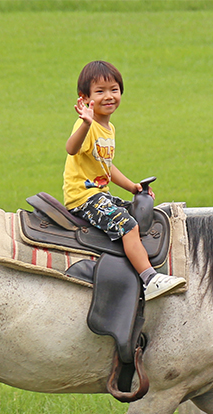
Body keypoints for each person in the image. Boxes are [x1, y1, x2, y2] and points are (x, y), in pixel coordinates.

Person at [64, 60, 185, 301]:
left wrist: (132, 186)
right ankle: (149, 279)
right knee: (127, 226)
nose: (109, 96)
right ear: (84, 97)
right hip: (83, 198)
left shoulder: (109, 128)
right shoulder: (87, 125)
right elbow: (71, 148)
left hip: (99, 193)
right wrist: (86, 123)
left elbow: (105, 166)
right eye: (100, 91)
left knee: (139, 212)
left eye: (114, 90)